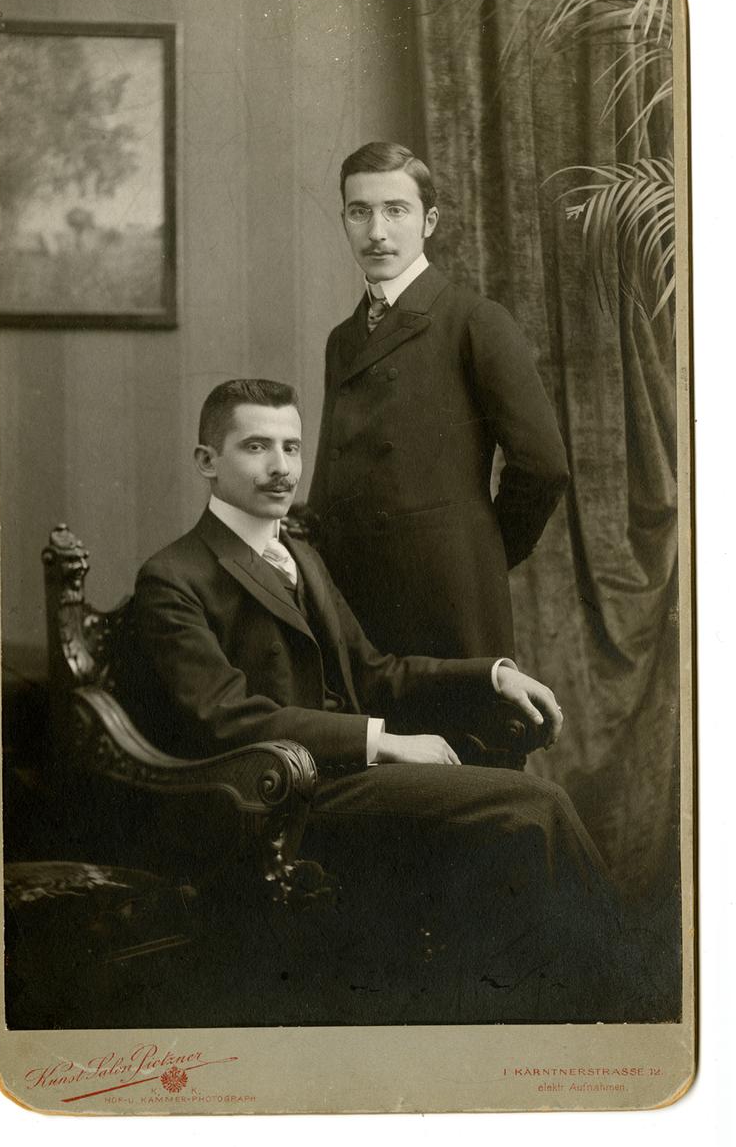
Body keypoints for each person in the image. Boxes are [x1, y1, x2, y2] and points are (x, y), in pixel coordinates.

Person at [129, 379, 636, 1024]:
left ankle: (580, 1007)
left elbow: (376, 672)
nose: (281, 467)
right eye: (256, 447)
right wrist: (384, 742)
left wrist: (493, 675)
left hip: (344, 778)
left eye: (292, 447)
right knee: (531, 806)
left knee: (521, 813)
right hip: (283, 797)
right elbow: (225, 715)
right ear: (207, 462)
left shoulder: (302, 557)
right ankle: (622, 1004)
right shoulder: (174, 576)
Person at [307, 141, 570, 662]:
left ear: (429, 221)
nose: (376, 231)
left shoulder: (474, 321)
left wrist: (481, 554)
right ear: (343, 220)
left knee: (455, 742)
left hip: (445, 603)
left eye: (395, 211)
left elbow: (543, 466)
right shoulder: (343, 338)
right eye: (359, 212)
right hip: (355, 603)